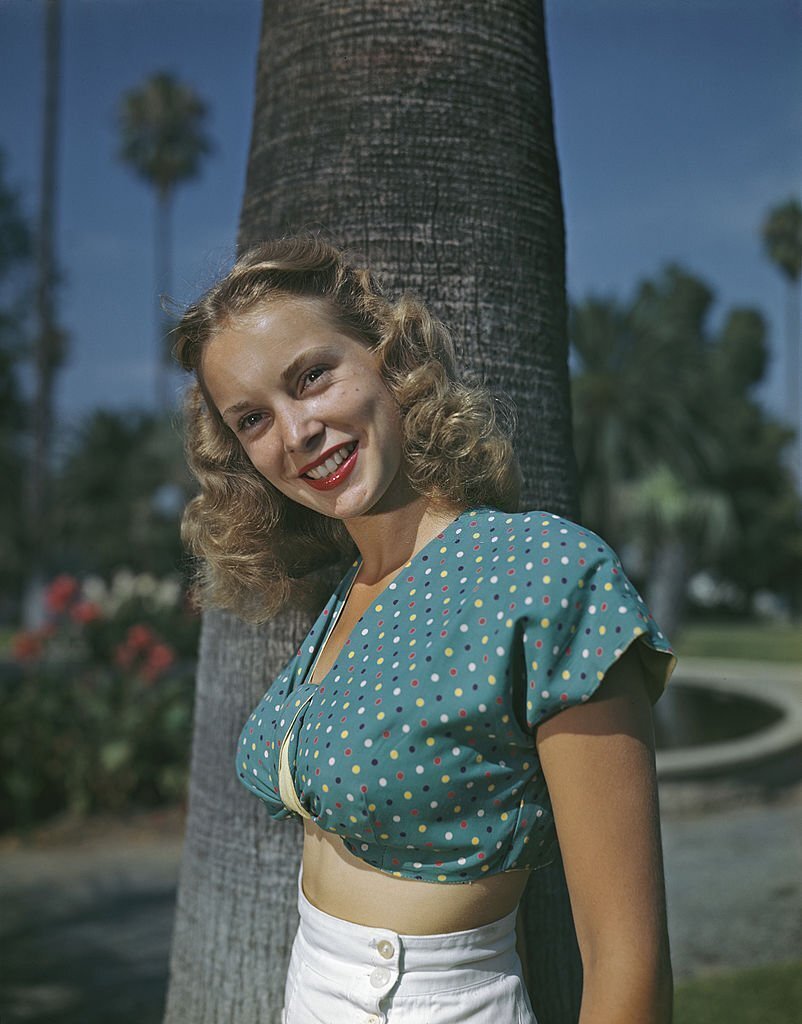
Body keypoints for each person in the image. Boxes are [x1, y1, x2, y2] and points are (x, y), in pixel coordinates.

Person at [174, 235, 677, 1024]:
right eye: (253, 418)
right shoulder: (345, 598)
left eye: (312, 376)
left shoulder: (543, 573)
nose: (296, 431)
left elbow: (629, 964)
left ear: (386, 355)